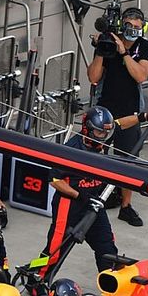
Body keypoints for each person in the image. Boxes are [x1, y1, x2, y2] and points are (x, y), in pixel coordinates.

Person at [87, 7, 148, 227]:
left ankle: (126, 206)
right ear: (122, 24)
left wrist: (123, 52)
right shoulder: (108, 44)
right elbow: (93, 77)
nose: (133, 30)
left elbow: (141, 75)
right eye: (129, 26)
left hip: (130, 112)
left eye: (138, 27)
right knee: (96, 156)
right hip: (104, 110)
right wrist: (101, 49)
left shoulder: (145, 47)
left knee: (128, 160)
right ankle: (96, 195)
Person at [36, 107, 119, 281]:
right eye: (98, 132)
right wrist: (78, 195)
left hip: (94, 203)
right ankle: (36, 277)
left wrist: (144, 117)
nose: (103, 136)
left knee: (107, 246)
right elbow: (54, 180)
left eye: (106, 133)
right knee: (54, 249)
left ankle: (111, 283)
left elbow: (120, 124)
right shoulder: (71, 150)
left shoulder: (102, 141)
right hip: (69, 206)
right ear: (86, 128)